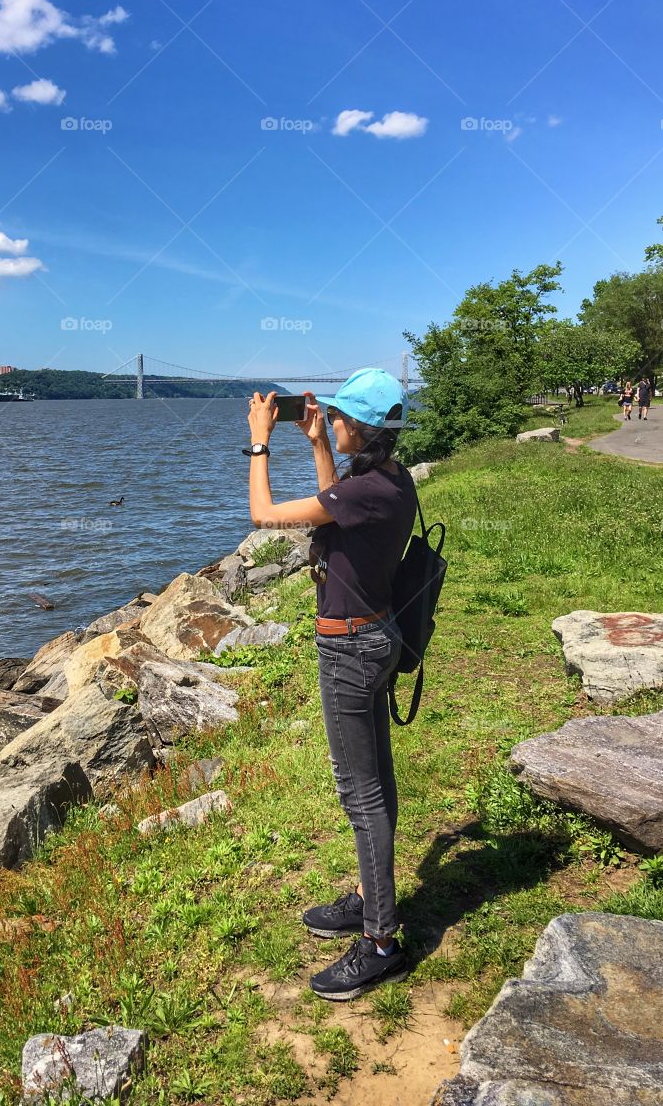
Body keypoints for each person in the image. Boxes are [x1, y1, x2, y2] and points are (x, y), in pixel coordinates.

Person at [246, 368, 417, 1001]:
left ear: (366, 430)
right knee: (377, 784)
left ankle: (380, 942)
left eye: (340, 419)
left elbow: (264, 515)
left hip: (350, 647)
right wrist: (318, 444)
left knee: (360, 793)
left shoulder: (368, 489)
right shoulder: (386, 484)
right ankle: (375, 899)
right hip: (374, 636)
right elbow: (338, 515)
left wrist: (261, 440)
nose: (334, 422)